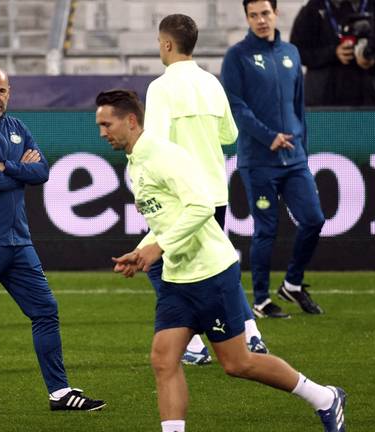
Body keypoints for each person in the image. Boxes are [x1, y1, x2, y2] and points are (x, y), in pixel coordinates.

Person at [95, 89, 347, 432]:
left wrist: (159, 247)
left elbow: (200, 206)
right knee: (163, 359)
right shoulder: (135, 162)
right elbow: (167, 217)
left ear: (131, 121)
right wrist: (145, 249)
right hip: (177, 277)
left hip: (211, 272)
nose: (102, 132)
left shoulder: (164, 156)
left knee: (238, 363)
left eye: (106, 124)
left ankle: (324, 397)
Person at [0, 66, 105, 414]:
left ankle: (59, 392)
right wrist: (18, 168)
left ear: (9, 91)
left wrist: (6, 167)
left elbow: (42, 171)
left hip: (19, 244)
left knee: (45, 311)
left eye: (1, 91)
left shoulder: (16, 127)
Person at [144, 13, 267, 365]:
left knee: (163, 267)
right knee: (218, 267)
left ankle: (195, 345)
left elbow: (154, 144)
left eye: (159, 42)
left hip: (181, 198)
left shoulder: (161, 88)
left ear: (167, 44)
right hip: (215, 192)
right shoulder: (212, 84)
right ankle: (252, 333)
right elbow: (230, 135)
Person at [221, 0, 326, 319]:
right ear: (247, 18)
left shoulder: (291, 53)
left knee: (314, 219)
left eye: (265, 13)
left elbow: (299, 107)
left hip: (293, 160)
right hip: (259, 161)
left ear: (276, 13)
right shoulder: (237, 56)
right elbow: (236, 106)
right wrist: (270, 137)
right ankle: (262, 300)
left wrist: (303, 152)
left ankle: (292, 283)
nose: (260, 20)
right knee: (266, 229)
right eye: (253, 15)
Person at [290, 0, 375, 106]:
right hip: (323, 98)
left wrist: (372, 60)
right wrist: (333, 53)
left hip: (367, 97)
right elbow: (297, 50)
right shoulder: (314, 6)